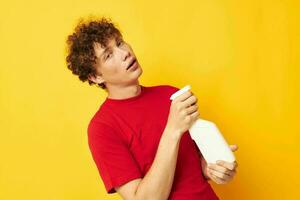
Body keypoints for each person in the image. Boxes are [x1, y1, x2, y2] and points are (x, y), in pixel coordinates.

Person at [65, 17, 239, 200]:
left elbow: (195, 168)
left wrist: (215, 169)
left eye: (120, 42)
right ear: (95, 77)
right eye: (108, 55)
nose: (124, 53)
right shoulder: (102, 128)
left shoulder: (170, 95)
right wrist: (173, 129)